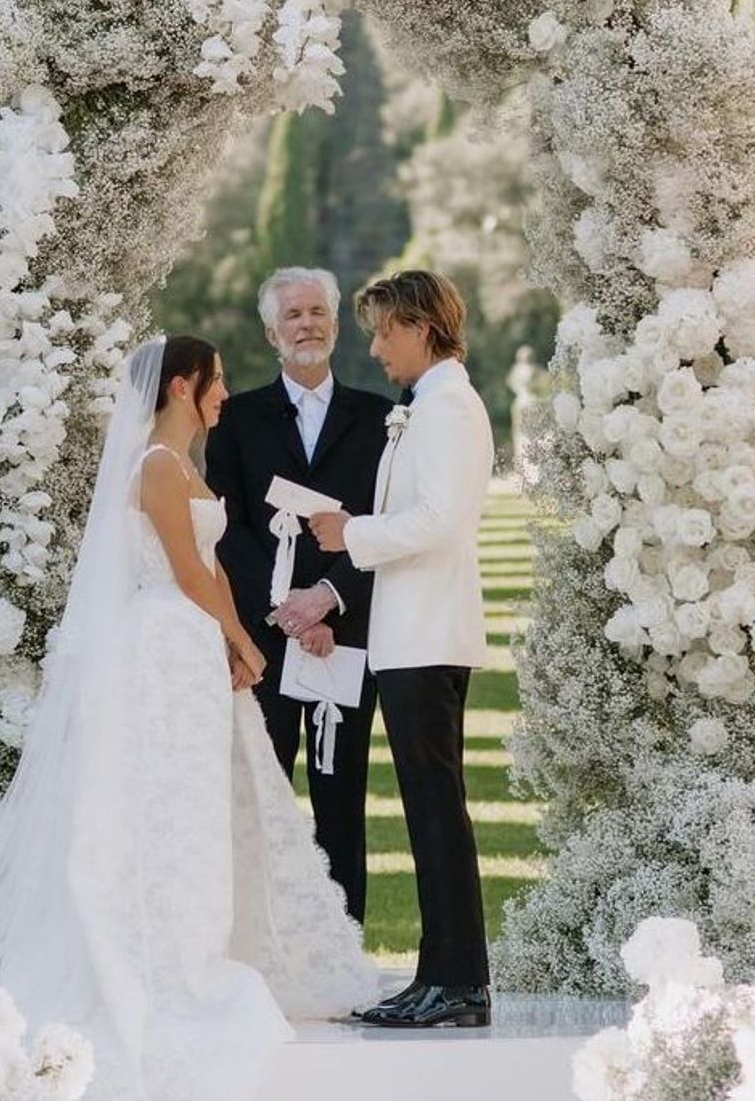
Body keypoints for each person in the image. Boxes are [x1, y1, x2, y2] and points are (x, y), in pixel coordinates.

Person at [0, 334, 378, 1099]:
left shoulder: (185, 465)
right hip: (162, 645)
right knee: (166, 800)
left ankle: (207, 937)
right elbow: (189, 573)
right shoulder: (157, 468)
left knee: (200, 801)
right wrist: (241, 642)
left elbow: (214, 567)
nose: (225, 393)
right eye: (217, 381)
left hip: (190, 645)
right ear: (184, 385)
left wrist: (233, 641)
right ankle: (167, 953)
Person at [310, 270, 494, 1028]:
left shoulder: (449, 407)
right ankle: (440, 975)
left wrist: (350, 534)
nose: (377, 347)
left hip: (427, 637)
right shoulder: (428, 405)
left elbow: (441, 521)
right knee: (428, 812)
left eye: (386, 330)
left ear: (422, 326)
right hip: (409, 636)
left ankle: (457, 984)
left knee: (435, 812)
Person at [205, 268, 391, 923]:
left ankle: (345, 950)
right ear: (270, 332)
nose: (307, 324)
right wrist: (289, 610)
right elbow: (229, 532)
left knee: (342, 798)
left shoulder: (381, 422)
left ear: (336, 325)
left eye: (317, 312)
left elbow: (387, 523)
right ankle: (262, 943)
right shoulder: (237, 420)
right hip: (267, 641)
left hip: (347, 632)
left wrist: (329, 600)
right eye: (293, 316)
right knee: (264, 797)